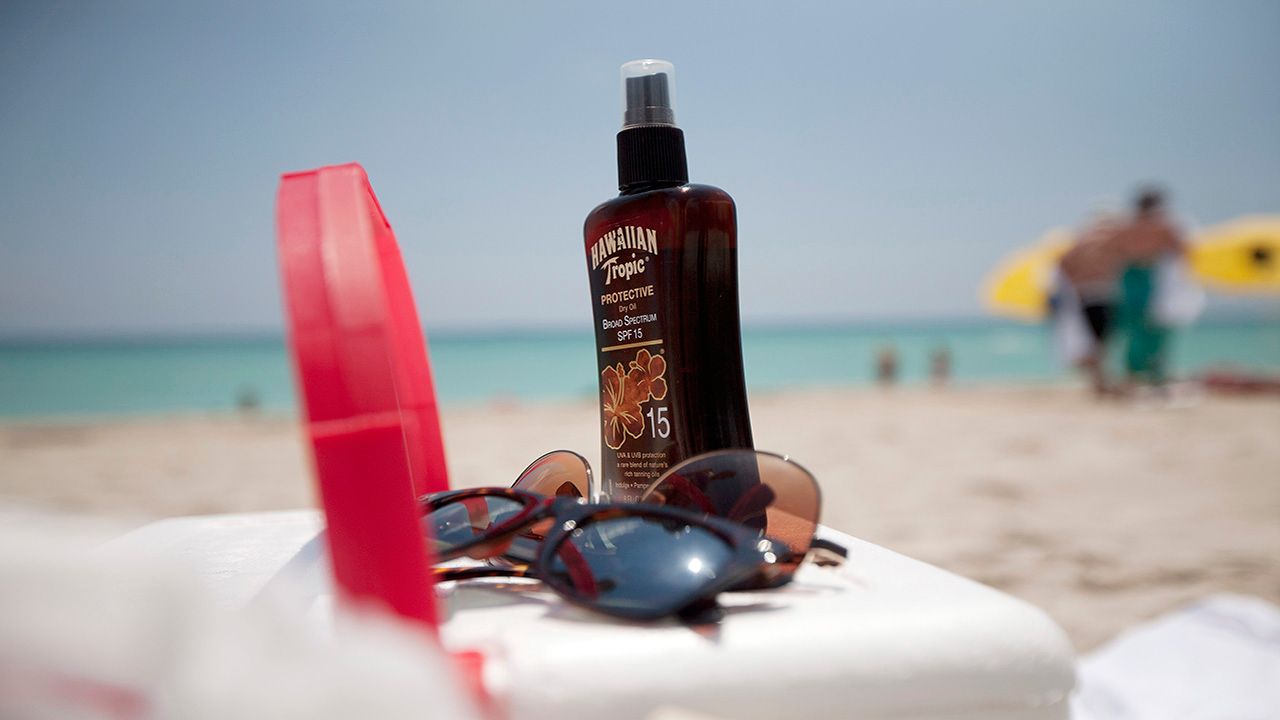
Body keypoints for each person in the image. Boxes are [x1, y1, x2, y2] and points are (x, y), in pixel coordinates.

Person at [1109, 187, 1187, 390]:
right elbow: (1182, 251)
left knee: (1133, 330)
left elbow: (1111, 253)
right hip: (1151, 277)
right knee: (1156, 329)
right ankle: (1155, 376)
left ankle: (1131, 377)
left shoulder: (1122, 226)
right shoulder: (1164, 226)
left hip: (1128, 276)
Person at [1057, 213, 1124, 396]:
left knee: (1095, 342)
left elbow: (1062, 264)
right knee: (1099, 343)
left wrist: (1075, 282)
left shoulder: (1080, 244)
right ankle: (1100, 382)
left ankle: (1098, 381)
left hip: (1086, 295)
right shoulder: (1104, 244)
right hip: (1101, 295)